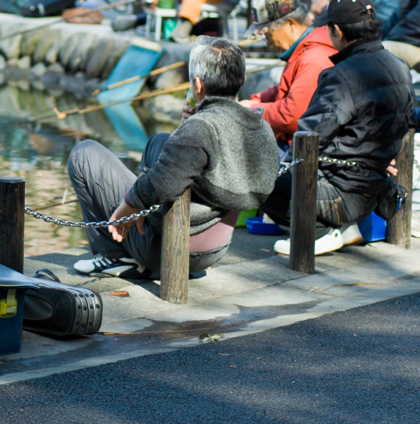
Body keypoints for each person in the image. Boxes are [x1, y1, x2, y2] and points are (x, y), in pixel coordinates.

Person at [67, 38, 279, 278]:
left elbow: (160, 185)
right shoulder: (261, 128)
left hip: (173, 250)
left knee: (83, 153)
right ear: (242, 80)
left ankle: (115, 255)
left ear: (197, 85)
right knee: (159, 141)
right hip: (215, 247)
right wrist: (186, 127)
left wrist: (127, 208)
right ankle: (131, 248)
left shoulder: (202, 129)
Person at [261, 0, 416, 256]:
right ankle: (345, 228)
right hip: (375, 187)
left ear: (337, 30)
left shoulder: (341, 74)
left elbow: (309, 137)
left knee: (258, 175)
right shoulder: (399, 66)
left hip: (339, 192)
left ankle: (319, 232)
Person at [240, 0, 336, 149]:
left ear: (290, 24)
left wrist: (253, 109)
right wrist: (257, 100)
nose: (268, 43)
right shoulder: (305, 51)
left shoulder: (312, 59)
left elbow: (291, 116)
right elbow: (288, 89)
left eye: (268, 34)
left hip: (301, 150)